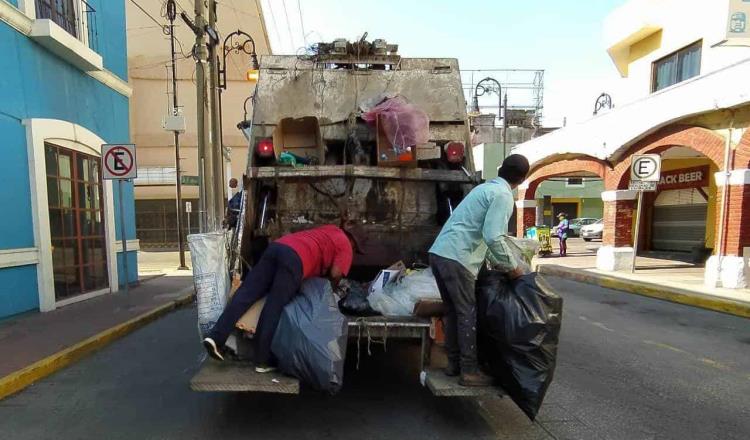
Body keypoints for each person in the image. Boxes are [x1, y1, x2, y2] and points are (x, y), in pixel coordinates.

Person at [202, 224, 363, 372]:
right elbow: (335, 274)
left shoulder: (330, 230)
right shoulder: (346, 246)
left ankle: (216, 337)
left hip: (277, 248)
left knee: (246, 294)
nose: (353, 254)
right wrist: (330, 293)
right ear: (353, 243)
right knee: (275, 305)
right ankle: (262, 360)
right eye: (356, 251)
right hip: (295, 260)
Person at [428, 154, 530, 387]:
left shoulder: (484, 189)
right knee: (466, 313)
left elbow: (484, 235)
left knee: (453, 311)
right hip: (458, 258)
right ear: (522, 179)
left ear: (501, 169)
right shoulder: (503, 195)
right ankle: (469, 371)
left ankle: (453, 365)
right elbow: (493, 236)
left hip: (439, 254)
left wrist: (501, 262)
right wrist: (513, 267)